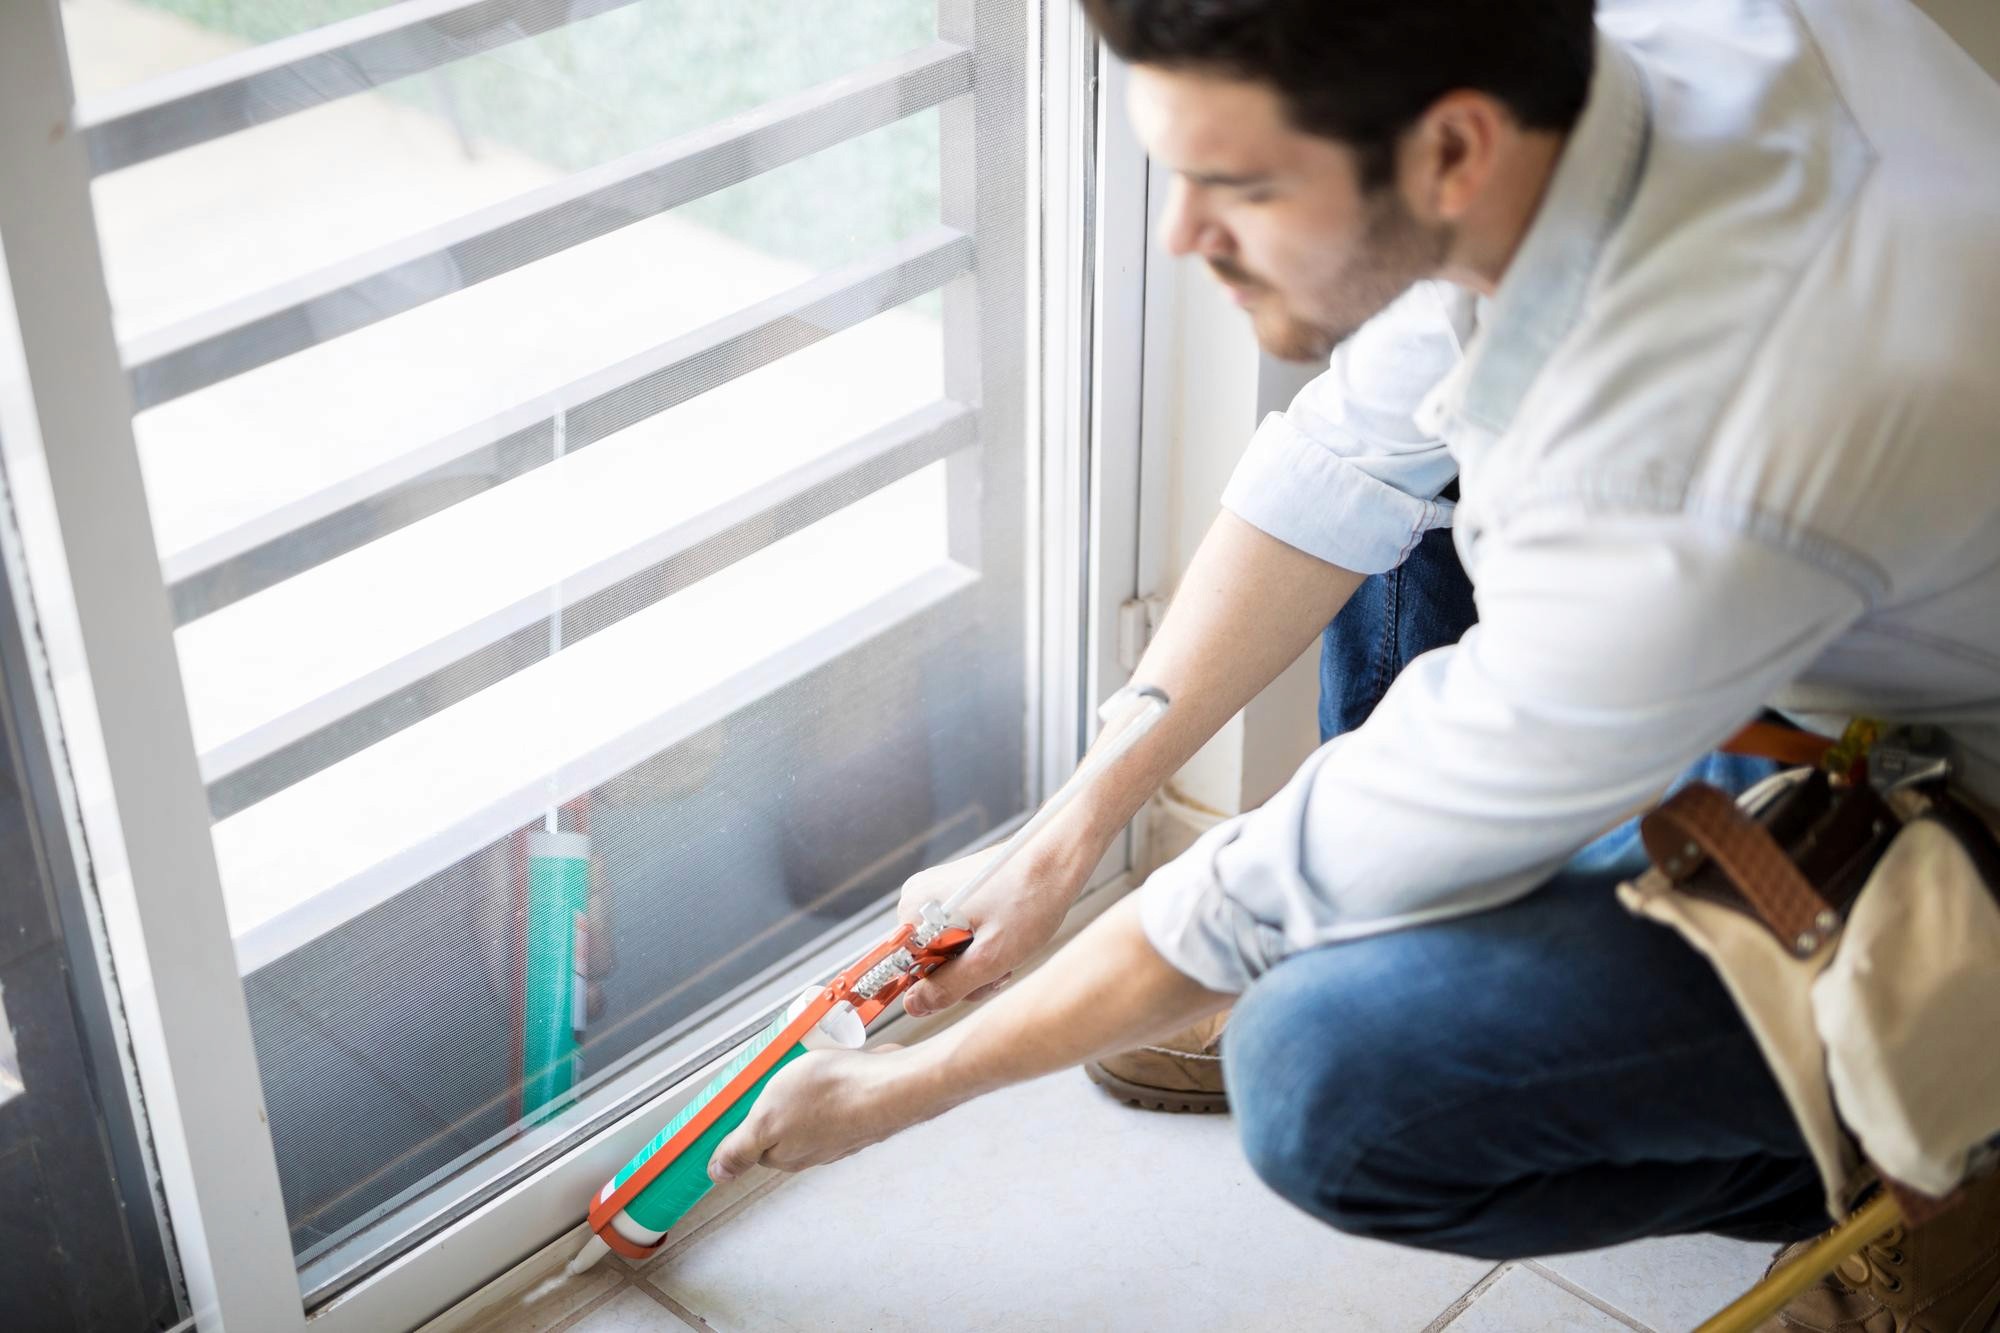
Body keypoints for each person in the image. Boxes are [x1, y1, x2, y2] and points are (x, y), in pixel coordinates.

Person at [712, 1, 2000, 1326]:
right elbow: (1349, 456)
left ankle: (1942, 1150)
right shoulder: (1561, 85)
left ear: (1450, 151)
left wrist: (891, 1093)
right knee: (1421, 477)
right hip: (1852, 581)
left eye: (1243, 188)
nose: (1181, 235)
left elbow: (1247, 900)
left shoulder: (1687, 461)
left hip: (1961, 798)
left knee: (1324, 1074)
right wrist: (1059, 839)